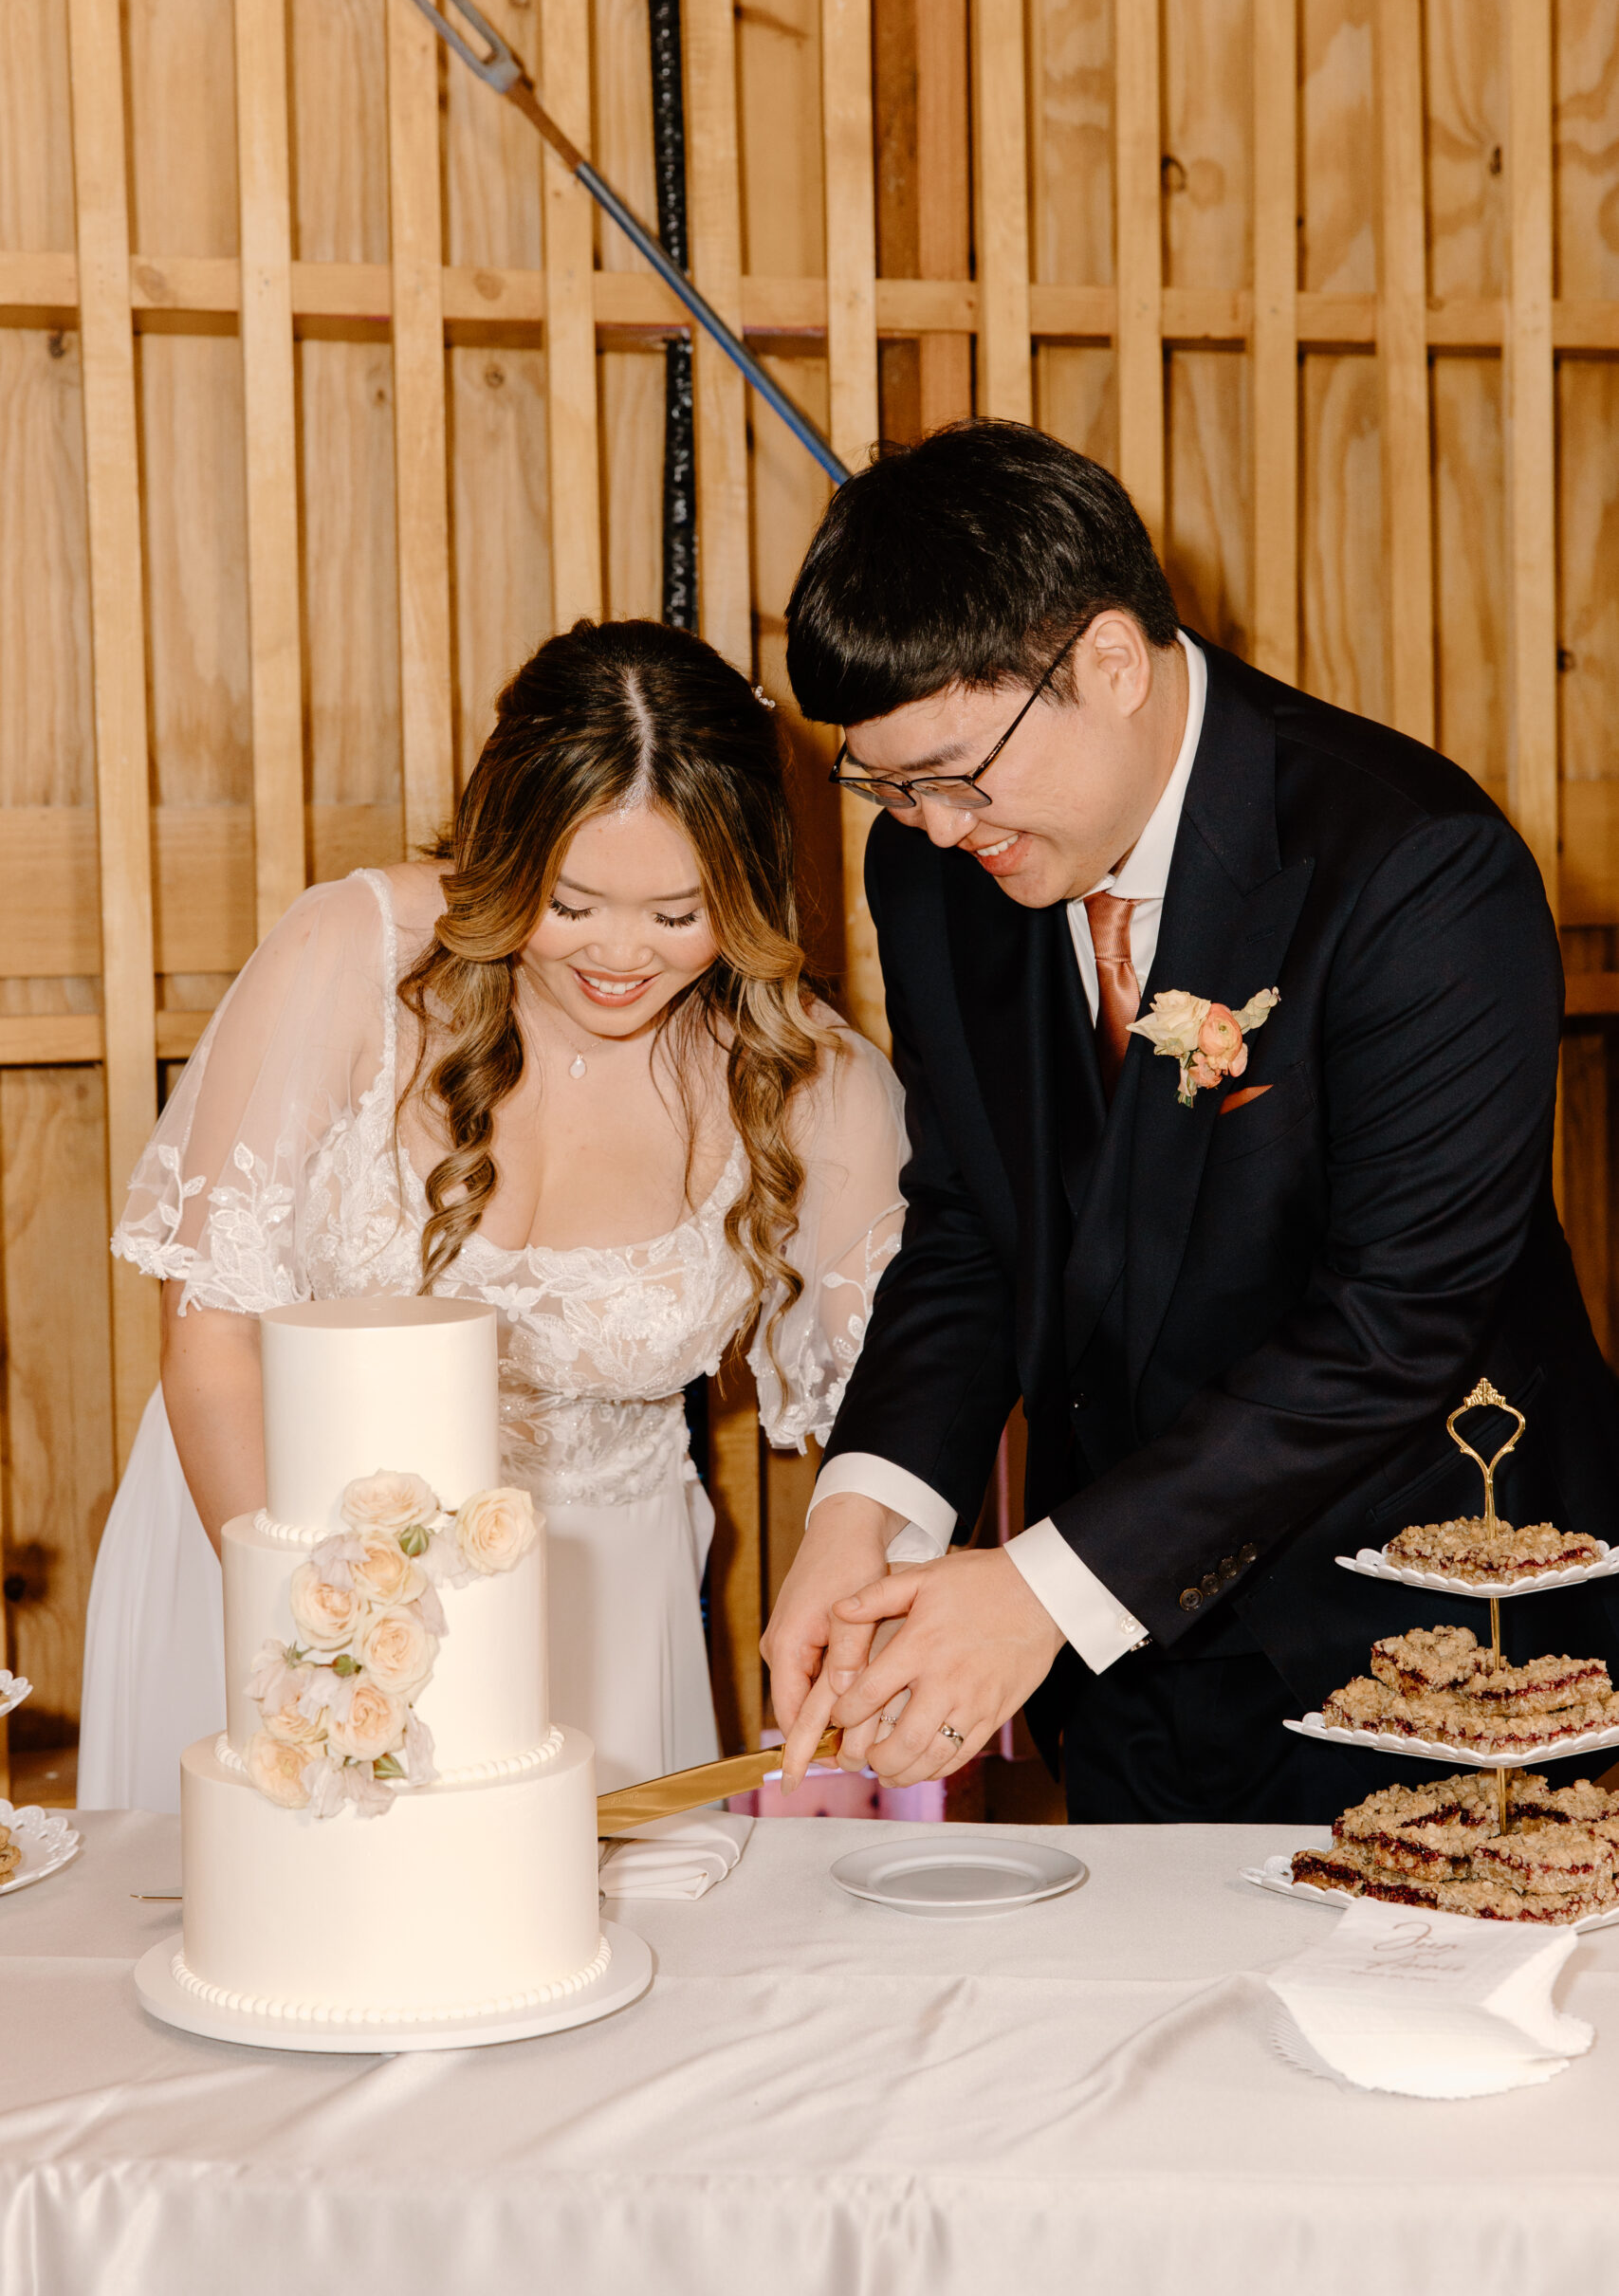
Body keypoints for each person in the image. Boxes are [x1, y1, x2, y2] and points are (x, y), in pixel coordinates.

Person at [763, 419, 1619, 1825]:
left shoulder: (1411, 866)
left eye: (956, 772)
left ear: (1105, 660)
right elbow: (974, 1220)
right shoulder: (931, 874)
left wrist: (1039, 1589)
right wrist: (865, 1512)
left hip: (1422, 1650)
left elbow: (1391, 1323)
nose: (927, 827)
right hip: (1127, 1670)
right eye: (886, 784)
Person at [80, 620, 906, 1808]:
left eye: (681, 914)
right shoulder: (350, 954)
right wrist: (323, 1647)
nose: (620, 955)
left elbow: (892, 1424)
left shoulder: (812, 1083)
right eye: (570, 903)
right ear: (504, 851)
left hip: (596, 1607)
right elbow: (211, 1337)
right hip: (265, 1541)